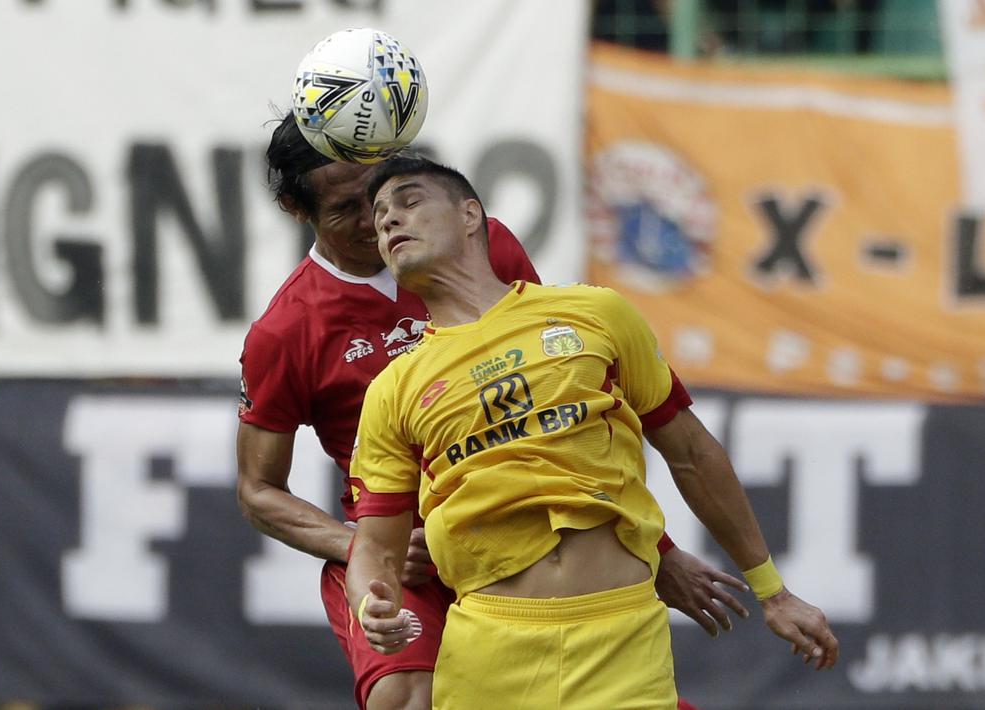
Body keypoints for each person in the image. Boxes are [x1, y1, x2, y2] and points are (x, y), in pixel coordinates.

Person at [236, 119, 749, 710]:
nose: (373, 220)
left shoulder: (473, 246)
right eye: (347, 208)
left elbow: (559, 404)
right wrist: (358, 545)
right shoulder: (286, 330)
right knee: (403, 697)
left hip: (510, 522)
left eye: (379, 192)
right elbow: (257, 491)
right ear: (295, 210)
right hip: (401, 547)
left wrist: (657, 555)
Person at [345, 157, 839, 709]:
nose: (388, 222)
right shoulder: (393, 388)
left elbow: (693, 454)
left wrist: (774, 592)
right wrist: (369, 601)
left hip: (621, 640)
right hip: (490, 654)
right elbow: (374, 547)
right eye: (380, 215)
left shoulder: (594, 313)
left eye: (409, 202)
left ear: (469, 215)